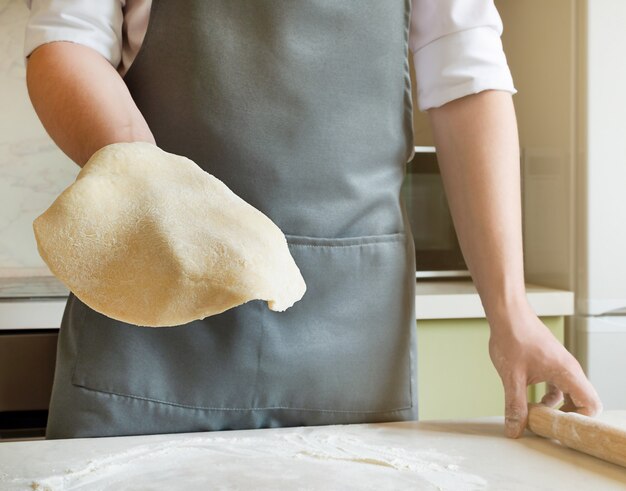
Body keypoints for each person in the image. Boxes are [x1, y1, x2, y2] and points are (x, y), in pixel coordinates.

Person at [24, 0, 602, 440]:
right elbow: (65, 41)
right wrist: (161, 193)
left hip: (351, 339)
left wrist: (511, 312)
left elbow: (467, 79)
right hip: (147, 311)